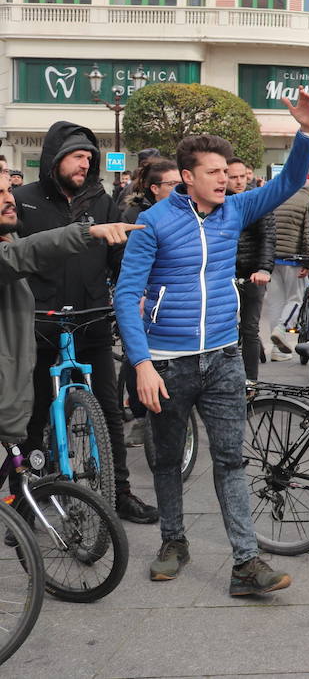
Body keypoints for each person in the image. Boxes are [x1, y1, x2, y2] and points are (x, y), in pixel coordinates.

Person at [116, 91, 309, 595]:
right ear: (187, 177)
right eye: (214, 173)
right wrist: (140, 364)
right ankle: (173, 541)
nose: (225, 181)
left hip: (225, 357)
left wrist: (306, 134)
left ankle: (246, 565)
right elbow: (126, 295)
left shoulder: (235, 210)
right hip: (167, 363)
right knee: (166, 460)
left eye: (227, 173)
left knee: (232, 459)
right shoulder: (154, 223)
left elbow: (292, 181)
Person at [14, 121, 158, 525]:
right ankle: (26, 503)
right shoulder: (23, 199)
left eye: (89, 159)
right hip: (40, 324)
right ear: (55, 159)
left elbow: (118, 258)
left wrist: (136, 290)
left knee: (110, 413)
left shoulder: (102, 202)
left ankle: (120, 492)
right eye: (78, 157)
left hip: (91, 319)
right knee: (33, 417)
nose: (85, 164)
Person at [0, 173, 143, 447]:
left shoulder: (10, 232)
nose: (9, 199)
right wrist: (87, 231)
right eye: (0, 193)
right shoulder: (14, 238)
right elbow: (25, 253)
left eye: (8, 190)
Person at [118, 157, 181, 443]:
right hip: (143, 294)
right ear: (155, 188)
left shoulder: (187, 211)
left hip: (175, 300)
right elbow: (125, 259)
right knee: (137, 358)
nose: (181, 187)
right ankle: (142, 416)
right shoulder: (135, 214)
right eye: (173, 184)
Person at [227, 158, 274, 381]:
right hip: (224, 272)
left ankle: (251, 383)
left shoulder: (258, 200)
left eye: (242, 176)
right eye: (233, 177)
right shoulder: (217, 200)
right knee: (220, 329)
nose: (238, 181)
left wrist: (263, 269)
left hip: (252, 273)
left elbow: (268, 236)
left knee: (250, 329)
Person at [263, 176, 309, 362]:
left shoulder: (277, 197)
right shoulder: (307, 201)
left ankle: (278, 352)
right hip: (293, 260)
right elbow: (308, 234)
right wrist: (308, 261)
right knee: (295, 298)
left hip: (272, 259)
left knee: (275, 301)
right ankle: (282, 328)